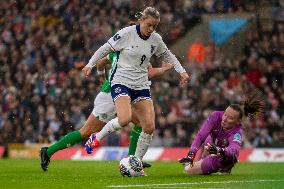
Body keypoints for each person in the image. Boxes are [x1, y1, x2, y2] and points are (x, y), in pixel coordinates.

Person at [39, 12, 173, 171]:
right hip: (110, 95)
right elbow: (103, 62)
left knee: (141, 123)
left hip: (125, 92)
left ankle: (133, 159)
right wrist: (163, 70)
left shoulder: (128, 51)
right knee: (86, 132)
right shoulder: (122, 48)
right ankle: (48, 151)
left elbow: (101, 64)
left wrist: (101, 75)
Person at [83, 6, 189, 162]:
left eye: (155, 26)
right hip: (121, 80)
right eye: (149, 25)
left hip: (140, 84)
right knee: (124, 119)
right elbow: (105, 48)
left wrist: (182, 71)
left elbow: (168, 55)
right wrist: (90, 64)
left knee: (149, 126)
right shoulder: (126, 34)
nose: (151, 29)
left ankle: (135, 163)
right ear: (142, 20)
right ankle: (96, 138)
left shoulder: (156, 39)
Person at [179, 90, 265, 175]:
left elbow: (233, 150)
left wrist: (220, 150)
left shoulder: (237, 132)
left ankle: (225, 166)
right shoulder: (215, 116)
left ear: (238, 121)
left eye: (230, 118)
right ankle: (205, 160)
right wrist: (191, 155)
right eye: (225, 114)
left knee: (188, 170)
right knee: (208, 139)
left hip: (223, 157)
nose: (224, 119)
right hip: (213, 146)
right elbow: (201, 136)